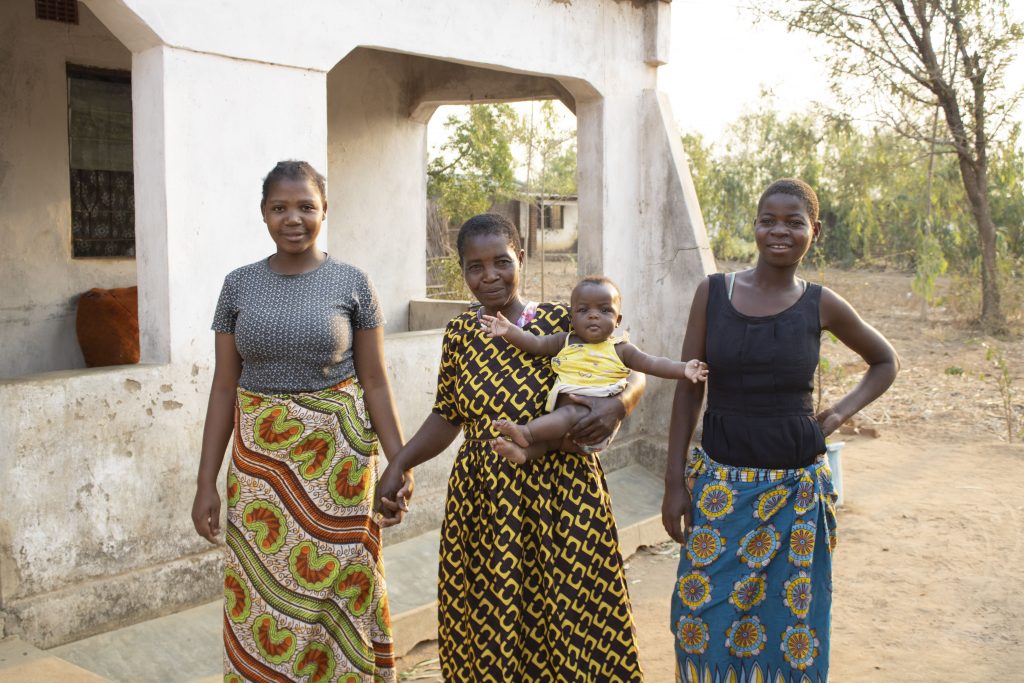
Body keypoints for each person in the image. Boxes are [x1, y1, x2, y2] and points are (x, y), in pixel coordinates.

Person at [375, 213, 646, 681]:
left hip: (563, 494)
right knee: (494, 621)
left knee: (575, 618)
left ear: (520, 258)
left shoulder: (566, 318)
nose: (489, 276)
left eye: (501, 261)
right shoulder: (461, 334)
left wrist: (621, 405)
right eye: (474, 267)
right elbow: (448, 416)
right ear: (462, 271)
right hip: (485, 499)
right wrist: (399, 461)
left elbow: (633, 366)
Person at [662, 178, 899, 682]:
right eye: (768, 219)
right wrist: (673, 483)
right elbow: (688, 388)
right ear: (755, 226)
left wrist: (835, 415)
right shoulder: (714, 293)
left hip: (793, 497)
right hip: (720, 492)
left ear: (814, 230)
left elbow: (884, 361)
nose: (779, 231)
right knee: (697, 621)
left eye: (794, 222)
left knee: (787, 629)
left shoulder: (822, 303)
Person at [190, 160, 405, 683]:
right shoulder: (238, 286)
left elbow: (375, 381)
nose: (294, 218)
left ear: (324, 211)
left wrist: (400, 462)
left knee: (343, 585)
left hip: (341, 466)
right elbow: (224, 387)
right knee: (260, 594)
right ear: (263, 214)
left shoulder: (352, 282)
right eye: (280, 207)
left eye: (306, 206)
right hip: (261, 470)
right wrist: (205, 482)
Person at [479, 275, 707, 464]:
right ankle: (523, 453)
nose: (594, 315)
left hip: (593, 424)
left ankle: (526, 433)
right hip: (564, 430)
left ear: (618, 320)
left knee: (567, 414)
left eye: (605, 310)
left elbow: (653, 363)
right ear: (572, 317)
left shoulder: (621, 349)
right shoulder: (565, 341)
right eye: (584, 310)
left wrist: (684, 368)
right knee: (551, 443)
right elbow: (534, 343)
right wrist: (509, 331)